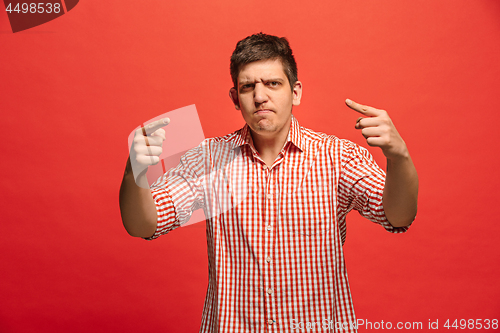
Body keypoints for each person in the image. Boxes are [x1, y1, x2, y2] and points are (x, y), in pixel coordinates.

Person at [119, 33, 418, 332]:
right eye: (248, 86)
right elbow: (145, 224)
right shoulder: (208, 159)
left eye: (272, 83)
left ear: (296, 92)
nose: (260, 96)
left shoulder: (337, 156)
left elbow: (397, 215)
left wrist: (399, 157)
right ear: (236, 99)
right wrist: (135, 174)